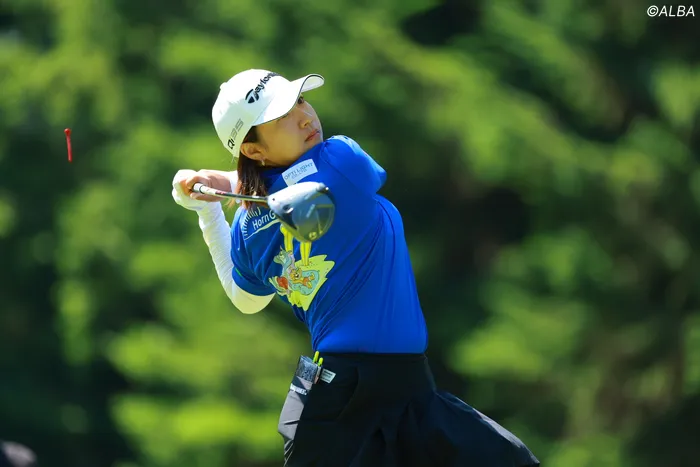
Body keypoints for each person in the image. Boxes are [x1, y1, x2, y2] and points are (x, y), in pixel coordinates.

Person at [171, 69, 540, 466]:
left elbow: (246, 298)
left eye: (300, 101)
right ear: (254, 150)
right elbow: (300, 179)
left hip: (404, 392)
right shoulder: (342, 159)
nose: (305, 117)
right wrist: (225, 191)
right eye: (281, 117)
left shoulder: (246, 228)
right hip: (345, 405)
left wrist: (211, 208)